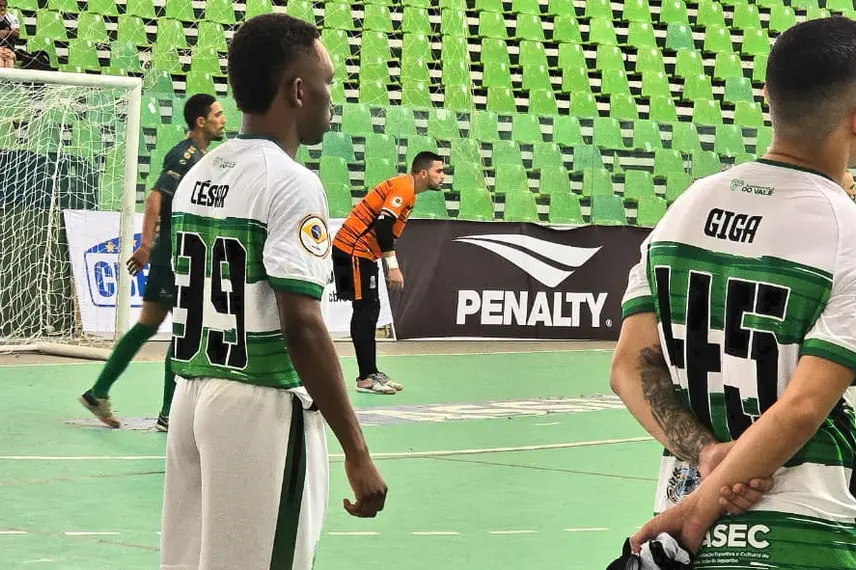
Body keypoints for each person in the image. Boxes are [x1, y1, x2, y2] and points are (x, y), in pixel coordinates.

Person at [611, 17, 856, 568]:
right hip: (804, 533)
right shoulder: (848, 235)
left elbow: (629, 366)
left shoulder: (685, 208)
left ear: (767, 96)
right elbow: (801, 409)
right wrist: (703, 506)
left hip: (678, 531)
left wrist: (707, 457)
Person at [159, 14, 387, 570]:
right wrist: (357, 450)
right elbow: (302, 324)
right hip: (258, 407)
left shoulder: (200, 171)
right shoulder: (292, 181)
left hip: (193, 393)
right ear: (299, 89)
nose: (332, 98)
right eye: (329, 83)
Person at [79, 94, 226, 432]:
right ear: (200, 121)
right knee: (185, 329)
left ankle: (98, 392)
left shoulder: (203, 156)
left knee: (149, 325)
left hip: (178, 254)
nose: (222, 119)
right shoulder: (185, 154)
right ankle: (167, 413)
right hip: (173, 255)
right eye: (217, 114)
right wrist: (145, 244)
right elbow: (156, 197)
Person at [331, 152, 445, 394]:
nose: (443, 176)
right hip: (353, 249)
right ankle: (365, 378)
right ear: (423, 173)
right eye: (439, 171)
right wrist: (392, 266)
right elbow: (383, 225)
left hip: (362, 252)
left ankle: (370, 372)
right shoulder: (404, 187)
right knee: (365, 309)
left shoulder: (408, 190)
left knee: (369, 309)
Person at [0, 0, 20, 68]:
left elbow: (17, 34)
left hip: (8, 51)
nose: (2, 8)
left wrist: (7, 32)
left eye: (4, 6)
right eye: (0, 6)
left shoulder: (12, 18)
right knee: (0, 63)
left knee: (10, 63)